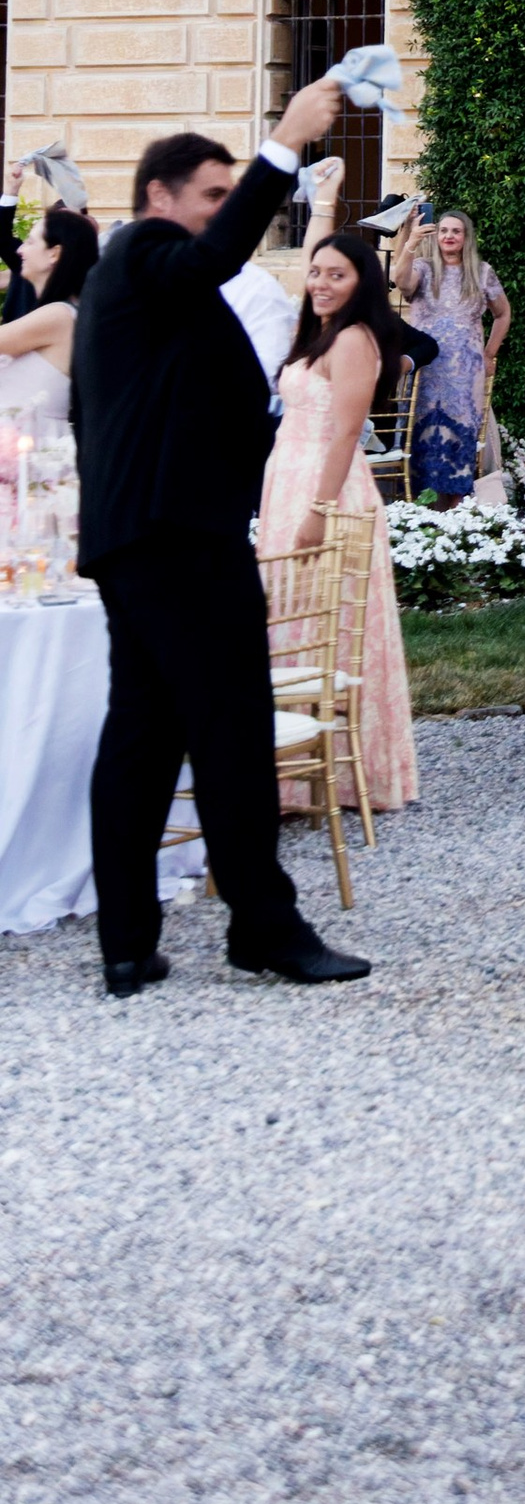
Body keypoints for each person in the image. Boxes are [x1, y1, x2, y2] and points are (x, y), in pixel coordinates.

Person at [75, 78, 371, 994]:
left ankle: (128, 943)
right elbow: (208, 260)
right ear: (158, 197)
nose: (222, 207)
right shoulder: (143, 253)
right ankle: (263, 927)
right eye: (210, 193)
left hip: (145, 533)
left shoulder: (143, 290)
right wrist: (285, 143)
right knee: (233, 725)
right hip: (179, 536)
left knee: (143, 732)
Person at [255, 221, 419, 819]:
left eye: (337, 275)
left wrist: (319, 512)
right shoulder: (319, 333)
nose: (321, 283)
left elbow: (349, 432)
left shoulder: (353, 339)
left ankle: (347, 775)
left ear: (361, 284)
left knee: (329, 623)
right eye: (316, 272)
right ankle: (293, 773)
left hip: (328, 490)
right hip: (288, 482)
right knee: (290, 619)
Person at [390, 205, 511, 501]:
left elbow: (503, 313)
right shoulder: (423, 268)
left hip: (465, 374)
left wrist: (489, 353)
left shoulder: (481, 272)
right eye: (443, 230)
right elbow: (401, 281)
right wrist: (411, 241)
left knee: (461, 438)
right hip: (426, 369)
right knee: (421, 436)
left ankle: (457, 510)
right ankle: (418, 508)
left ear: (466, 237)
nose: (449, 236)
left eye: (456, 231)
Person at [0, 202, 97, 425]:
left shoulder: (58, 316)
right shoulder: (62, 312)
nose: (20, 250)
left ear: (54, 254)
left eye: (30, 242)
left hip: (35, 440)